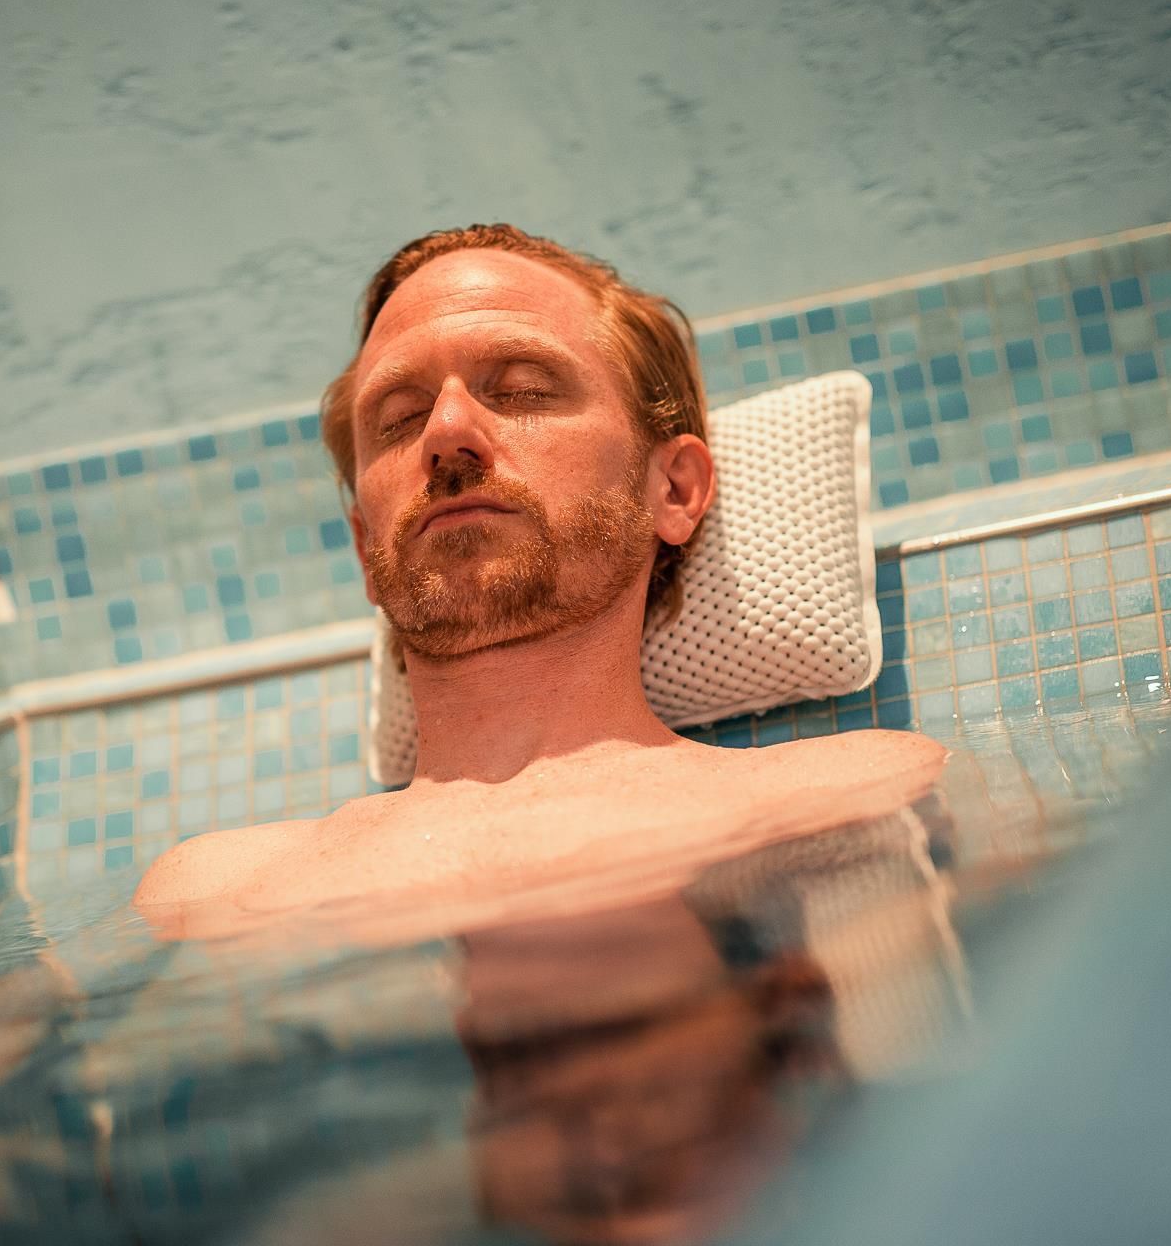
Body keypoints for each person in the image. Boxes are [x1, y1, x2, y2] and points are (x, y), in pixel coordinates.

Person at [133, 225, 945, 936]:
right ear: (364, 545)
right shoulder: (211, 893)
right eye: (400, 418)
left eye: (522, 389)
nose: (447, 433)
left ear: (673, 490)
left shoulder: (858, 795)